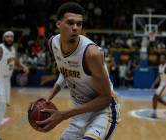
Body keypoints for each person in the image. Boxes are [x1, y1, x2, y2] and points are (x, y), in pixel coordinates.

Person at [36, 2, 121, 140]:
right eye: (70, 23)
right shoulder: (53, 43)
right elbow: (65, 71)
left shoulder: (91, 54)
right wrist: (49, 96)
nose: (75, 28)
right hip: (81, 112)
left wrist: (63, 114)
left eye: (79, 24)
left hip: (103, 112)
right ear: (58, 24)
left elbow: (105, 99)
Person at [0, 31, 29, 140]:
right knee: (2, 108)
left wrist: (22, 67)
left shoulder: (13, 50)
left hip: (6, 82)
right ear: (3, 38)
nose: (10, 38)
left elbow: (12, 65)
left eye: (11, 37)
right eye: (7, 36)